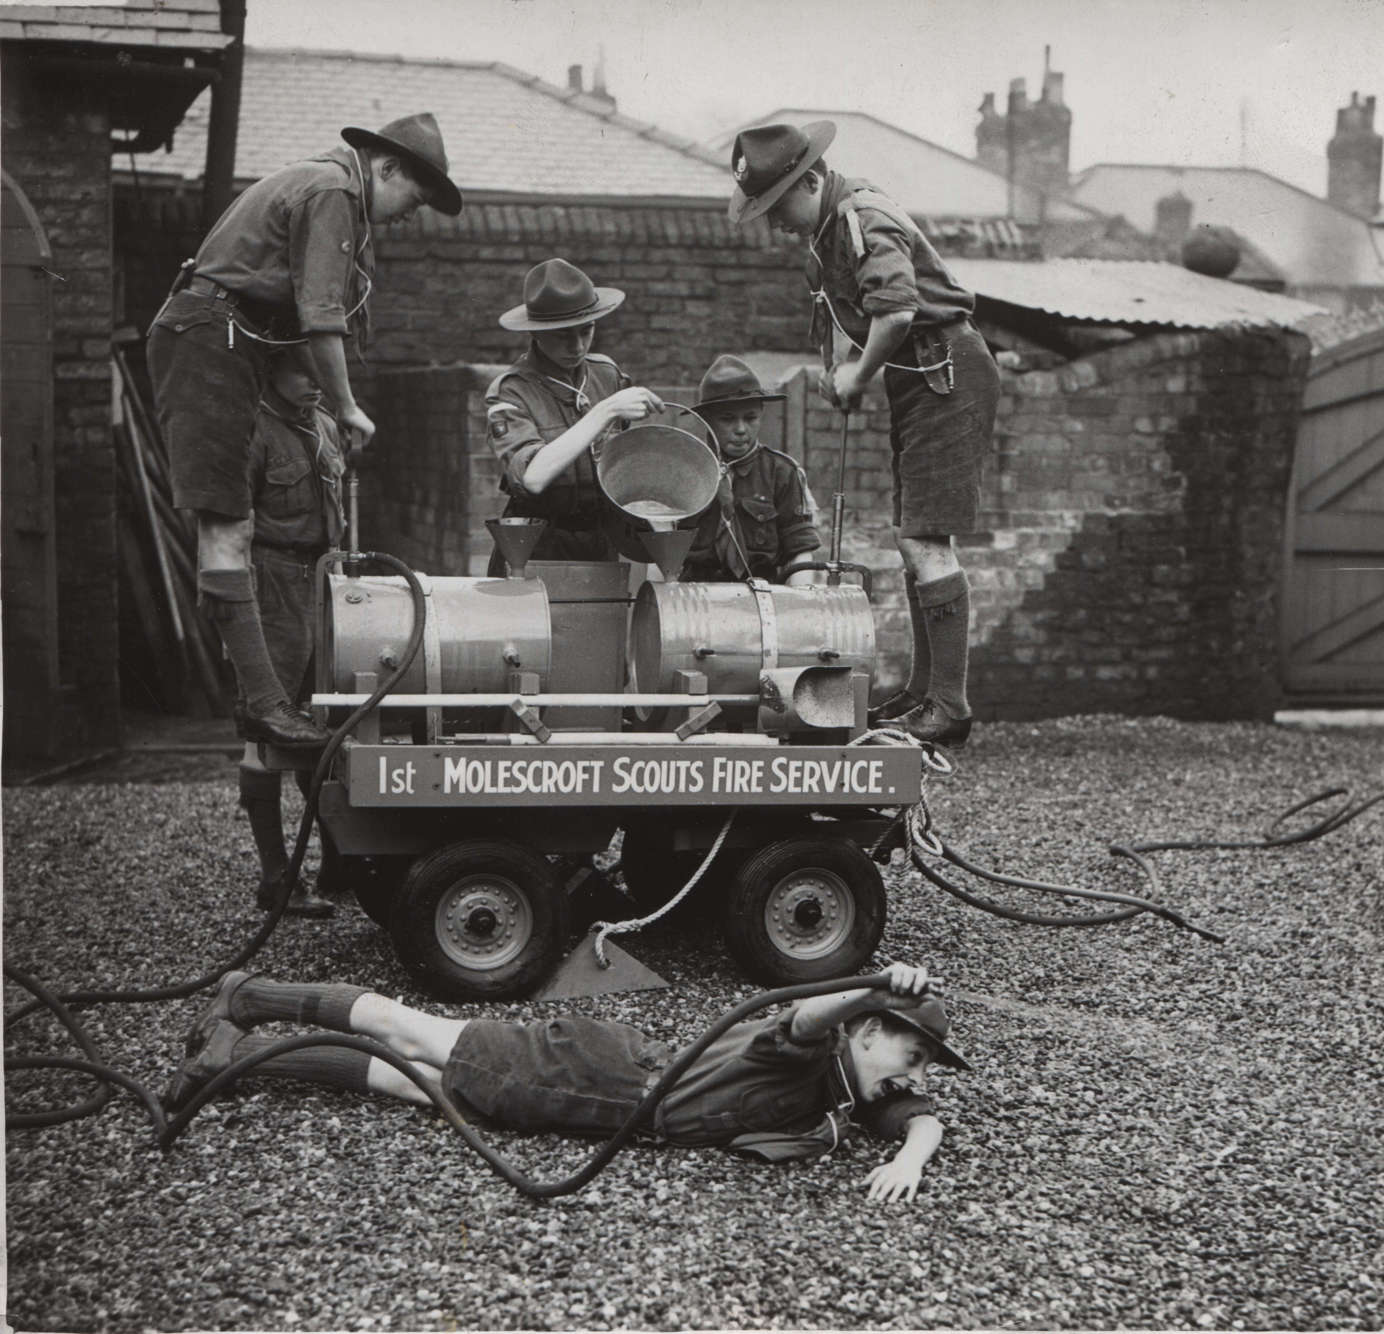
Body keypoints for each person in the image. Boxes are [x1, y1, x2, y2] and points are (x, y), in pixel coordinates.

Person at [147, 114, 463, 747]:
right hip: (210, 339)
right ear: (387, 167)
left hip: (225, 338)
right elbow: (321, 318)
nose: (411, 214)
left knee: (228, 529)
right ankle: (264, 704)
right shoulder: (334, 193)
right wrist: (346, 407)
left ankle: (260, 701)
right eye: (414, 198)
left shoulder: (332, 190)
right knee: (227, 528)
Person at [164, 963, 965, 1204]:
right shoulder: (806, 1049)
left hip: (599, 1093)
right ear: (864, 1032)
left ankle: (225, 1065)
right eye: (912, 1052)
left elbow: (921, 1121)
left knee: (424, 1085)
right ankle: (250, 999)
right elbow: (802, 1018)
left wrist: (910, 1161)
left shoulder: (852, 1091)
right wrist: (870, 987)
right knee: (418, 1036)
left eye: (923, 1064)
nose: (915, 1073)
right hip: (591, 1076)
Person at [726, 121, 1000, 749]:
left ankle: (949, 707)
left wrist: (858, 375)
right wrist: (832, 372)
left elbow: (898, 311)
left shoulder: (862, 216)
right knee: (915, 540)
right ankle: (925, 693)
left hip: (947, 367)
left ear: (814, 181)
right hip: (920, 374)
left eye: (779, 207)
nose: (775, 225)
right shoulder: (824, 239)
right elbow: (831, 319)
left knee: (927, 541)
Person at [237, 350, 346, 918]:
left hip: (322, 581)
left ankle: (337, 861)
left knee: (321, 722)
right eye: (302, 371)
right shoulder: (250, 430)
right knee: (266, 728)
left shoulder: (324, 425)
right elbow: (231, 528)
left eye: (319, 370)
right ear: (270, 371)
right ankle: (276, 879)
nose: (315, 381)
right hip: (272, 581)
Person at [484, 259, 664, 574]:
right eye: (562, 335)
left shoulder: (606, 374)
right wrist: (605, 409)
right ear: (535, 333)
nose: (577, 345)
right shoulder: (511, 391)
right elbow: (534, 478)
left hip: (601, 542)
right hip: (537, 544)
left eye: (586, 330)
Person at [679, 354, 821, 584]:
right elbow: (662, 552)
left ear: (762, 414)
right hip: (696, 596)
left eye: (751, 418)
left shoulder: (782, 473)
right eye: (727, 419)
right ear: (706, 420)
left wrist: (799, 605)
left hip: (762, 596)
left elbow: (799, 552)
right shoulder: (684, 472)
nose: (741, 429)